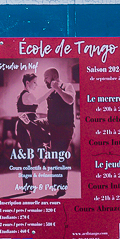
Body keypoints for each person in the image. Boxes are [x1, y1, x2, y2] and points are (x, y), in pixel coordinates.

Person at [41, 67, 76, 198]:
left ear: (54, 77)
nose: (44, 80)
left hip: (65, 128)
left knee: (59, 155)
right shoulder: (50, 92)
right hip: (53, 128)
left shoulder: (67, 86)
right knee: (54, 157)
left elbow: (70, 100)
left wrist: (58, 89)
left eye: (46, 77)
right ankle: (58, 186)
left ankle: (62, 187)